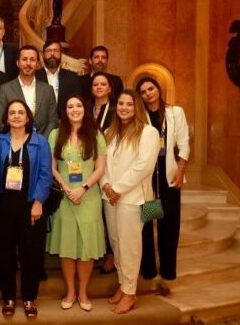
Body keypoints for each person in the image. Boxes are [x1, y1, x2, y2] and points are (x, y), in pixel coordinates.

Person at [101, 90, 160, 314]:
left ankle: (130, 293)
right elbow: (101, 163)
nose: (124, 108)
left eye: (129, 104)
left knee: (130, 246)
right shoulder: (109, 132)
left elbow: (144, 166)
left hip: (133, 198)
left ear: (137, 108)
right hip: (109, 197)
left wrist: (117, 189)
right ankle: (123, 285)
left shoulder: (148, 132)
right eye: (121, 104)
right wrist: (106, 186)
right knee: (116, 243)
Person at [46, 95, 106, 312]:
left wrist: (83, 188)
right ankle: (71, 291)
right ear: (65, 111)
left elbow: (100, 168)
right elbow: (51, 167)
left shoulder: (96, 134)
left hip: (89, 197)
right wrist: (65, 188)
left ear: (85, 108)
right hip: (64, 198)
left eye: (78, 105)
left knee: (86, 247)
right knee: (67, 246)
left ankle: (83, 292)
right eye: (70, 106)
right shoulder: (55, 134)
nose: (74, 109)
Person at [0, 100, 52, 318]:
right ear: (6, 118)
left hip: (30, 207)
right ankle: (8, 297)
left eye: (21, 112)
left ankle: (29, 298)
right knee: (3, 254)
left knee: (31, 254)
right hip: (2, 207)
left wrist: (38, 201)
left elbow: (45, 174)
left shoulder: (40, 142)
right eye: (12, 113)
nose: (16, 116)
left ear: (28, 117)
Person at [136, 77, 190, 281]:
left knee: (169, 224)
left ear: (158, 89)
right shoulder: (140, 116)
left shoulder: (175, 112)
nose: (148, 93)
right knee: (147, 224)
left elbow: (184, 143)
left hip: (169, 177)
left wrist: (181, 170)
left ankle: (168, 270)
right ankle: (148, 269)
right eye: (143, 91)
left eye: (151, 88)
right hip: (148, 179)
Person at [0, 45, 58, 139]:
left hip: (41, 143)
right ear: (18, 63)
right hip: (14, 143)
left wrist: (40, 141)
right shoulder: (5, 89)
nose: (28, 63)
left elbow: (53, 121)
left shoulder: (48, 90)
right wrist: (19, 139)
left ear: (38, 64)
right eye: (24, 59)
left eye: (32, 60)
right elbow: (0, 122)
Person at [90, 71, 117, 274]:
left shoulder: (116, 110)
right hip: (87, 164)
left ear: (109, 88)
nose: (99, 87)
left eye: (103, 84)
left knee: (110, 212)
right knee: (96, 210)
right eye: (95, 84)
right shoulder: (86, 109)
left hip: (110, 164)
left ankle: (111, 254)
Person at [35, 40, 82, 116]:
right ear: (43, 55)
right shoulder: (34, 77)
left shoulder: (72, 77)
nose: (52, 54)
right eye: (48, 51)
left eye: (56, 51)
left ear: (61, 54)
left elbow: (78, 102)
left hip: (65, 121)